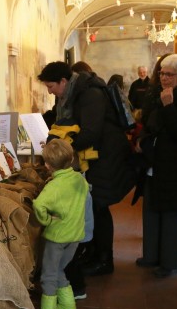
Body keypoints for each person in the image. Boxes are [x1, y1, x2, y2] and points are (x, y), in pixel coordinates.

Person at [38, 61, 135, 277]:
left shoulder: (90, 94)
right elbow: (60, 118)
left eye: (51, 86)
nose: (50, 91)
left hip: (106, 157)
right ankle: (92, 252)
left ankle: (104, 260)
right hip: (94, 157)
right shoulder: (72, 93)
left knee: (99, 206)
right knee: (93, 206)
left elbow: (91, 132)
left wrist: (62, 150)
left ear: (63, 81)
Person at [134, 54, 177, 277]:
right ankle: (151, 255)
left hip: (175, 168)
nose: (164, 77)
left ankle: (169, 263)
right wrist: (141, 141)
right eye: (161, 73)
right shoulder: (156, 96)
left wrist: (169, 107)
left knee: (172, 216)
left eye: (169, 74)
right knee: (151, 211)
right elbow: (148, 125)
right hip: (154, 164)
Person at [32, 139, 89, 309]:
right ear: (71, 158)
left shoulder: (53, 187)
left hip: (57, 237)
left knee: (48, 274)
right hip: (75, 235)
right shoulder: (80, 179)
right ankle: (68, 307)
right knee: (59, 270)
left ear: (47, 165)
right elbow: (85, 193)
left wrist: (47, 220)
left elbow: (38, 205)